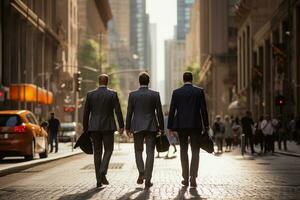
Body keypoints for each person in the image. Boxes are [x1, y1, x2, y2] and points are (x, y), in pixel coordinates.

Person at [168, 71, 209, 188]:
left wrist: (170, 126)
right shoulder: (199, 92)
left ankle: (185, 178)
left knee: (183, 151)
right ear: (192, 79)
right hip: (196, 125)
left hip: (181, 126)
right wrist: (206, 125)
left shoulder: (176, 93)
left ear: (183, 79)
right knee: (195, 151)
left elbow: (172, 110)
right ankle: (193, 177)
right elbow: (203, 110)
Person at [83, 74, 124, 188]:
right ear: (107, 82)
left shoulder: (90, 95)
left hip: (94, 127)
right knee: (109, 149)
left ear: (98, 82)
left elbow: (86, 113)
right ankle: (102, 171)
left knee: (97, 152)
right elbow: (118, 111)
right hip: (108, 126)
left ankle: (98, 180)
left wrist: (85, 128)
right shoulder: (112, 94)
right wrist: (121, 125)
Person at [125, 72, 164, 189]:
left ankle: (141, 172)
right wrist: (161, 127)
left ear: (139, 81)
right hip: (151, 126)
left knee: (138, 151)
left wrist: (127, 127)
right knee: (150, 153)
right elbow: (159, 113)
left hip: (137, 126)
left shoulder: (132, 95)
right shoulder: (155, 94)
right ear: (148, 81)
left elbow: (129, 112)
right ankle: (148, 179)